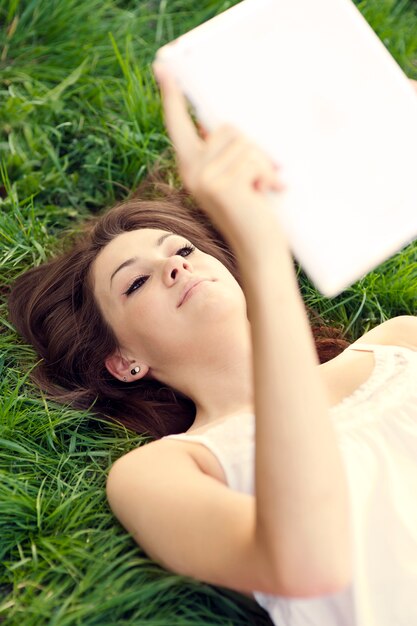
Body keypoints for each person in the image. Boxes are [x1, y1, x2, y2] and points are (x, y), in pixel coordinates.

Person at [8, 69, 417, 626]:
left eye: (181, 248)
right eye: (135, 283)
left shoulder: (400, 342)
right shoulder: (159, 472)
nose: (174, 264)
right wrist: (263, 248)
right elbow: (306, 566)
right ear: (124, 361)